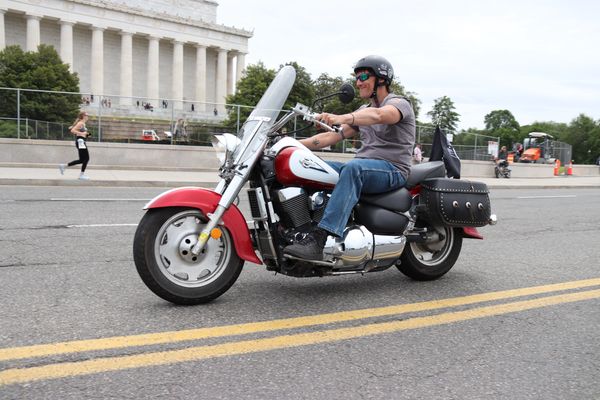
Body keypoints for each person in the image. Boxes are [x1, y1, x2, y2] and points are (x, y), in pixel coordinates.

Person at [284, 55, 415, 260]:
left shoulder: (398, 103)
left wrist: (342, 116)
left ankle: (320, 239)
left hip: (392, 169)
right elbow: (330, 136)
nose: (358, 82)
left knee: (354, 168)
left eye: (363, 76)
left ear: (381, 79)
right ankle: (301, 227)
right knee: (313, 167)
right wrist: (289, 144)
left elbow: (380, 116)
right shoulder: (363, 110)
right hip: (366, 166)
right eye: (356, 77)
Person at [59, 111, 92, 180]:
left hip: (81, 141)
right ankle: (81, 175)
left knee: (82, 160)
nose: (88, 116)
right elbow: (72, 130)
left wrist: (88, 134)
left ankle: (64, 166)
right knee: (86, 158)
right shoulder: (80, 123)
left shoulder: (82, 124)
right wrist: (81, 134)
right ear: (83, 116)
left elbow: (82, 133)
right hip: (80, 141)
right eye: (87, 115)